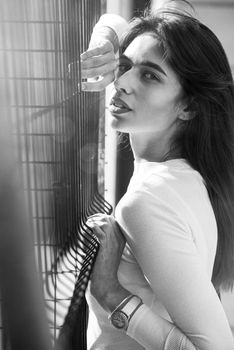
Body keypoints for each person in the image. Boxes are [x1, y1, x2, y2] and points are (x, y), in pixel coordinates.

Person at [81, 1, 234, 349]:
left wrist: (112, 295)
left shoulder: (147, 201)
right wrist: (105, 43)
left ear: (188, 106)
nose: (121, 82)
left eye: (150, 75)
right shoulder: (188, 178)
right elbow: (113, 20)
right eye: (124, 66)